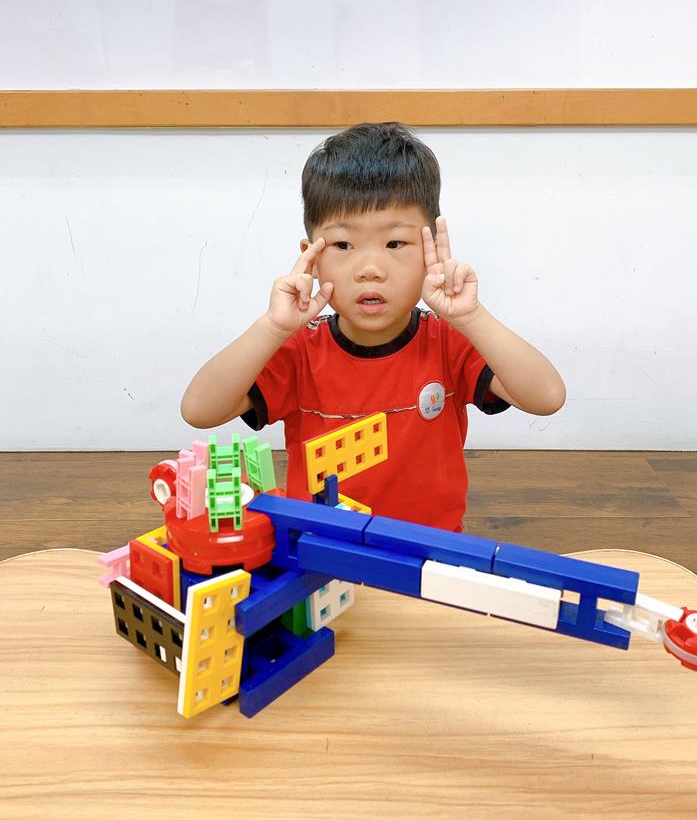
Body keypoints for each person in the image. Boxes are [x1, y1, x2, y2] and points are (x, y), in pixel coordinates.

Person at [181, 122, 565, 531]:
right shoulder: (299, 350)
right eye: (343, 245)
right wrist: (273, 327)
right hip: (324, 548)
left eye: (395, 243)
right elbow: (199, 410)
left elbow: (547, 397)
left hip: (429, 550)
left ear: (431, 250)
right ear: (311, 257)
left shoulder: (448, 340)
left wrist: (470, 317)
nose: (370, 269)